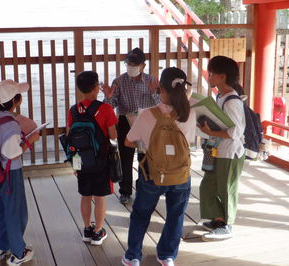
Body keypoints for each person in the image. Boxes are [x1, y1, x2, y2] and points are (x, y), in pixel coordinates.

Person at [122, 67, 196, 266]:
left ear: (161, 88)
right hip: (181, 174)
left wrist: (146, 141)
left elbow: (128, 142)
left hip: (152, 174)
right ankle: (167, 255)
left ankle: (132, 256)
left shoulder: (147, 114)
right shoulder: (190, 114)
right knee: (176, 214)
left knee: (141, 213)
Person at [0, 80, 40, 265]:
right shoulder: (10, 123)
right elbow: (12, 153)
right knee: (15, 211)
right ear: (16, 100)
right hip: (11, 172)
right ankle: (18, 253)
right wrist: (30, 139)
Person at [102, 47, 160, 204]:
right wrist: (108, 97)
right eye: (128, 63)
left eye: (135, 64)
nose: (131, 67)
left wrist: (154, 93)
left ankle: (144, 188)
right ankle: (125, 191)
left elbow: (161, 106)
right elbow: (109, 106)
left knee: (145, 157)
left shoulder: (152, 81)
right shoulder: (119, 81)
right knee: (125, 158)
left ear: (143, 65)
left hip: (146, 122)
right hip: (125, 122)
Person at [198, 56, 246, 241]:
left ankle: (227, 225)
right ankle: (218, 219)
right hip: (215, 149)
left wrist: (210, 132)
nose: (208, 76)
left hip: (229, 152)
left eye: (211, 73)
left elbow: (234, 132)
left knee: (226, 188)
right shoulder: (220, 96)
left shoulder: (232, 101)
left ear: (221, 76)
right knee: (208, 185)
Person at [67, 71, 118, 245]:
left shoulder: (73, 110)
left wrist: (74, 165)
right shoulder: (105, 109)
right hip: (100, 160)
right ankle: (98, 232)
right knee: (100, 196)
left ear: (79, 89)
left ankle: (87, 229)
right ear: (97, 87)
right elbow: (113, 135)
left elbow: (70, 138)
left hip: (80, 161)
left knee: (85, 195)